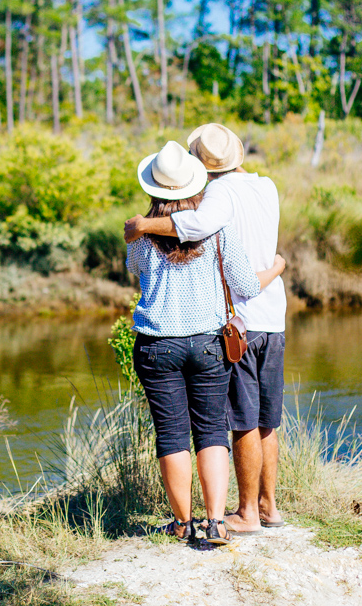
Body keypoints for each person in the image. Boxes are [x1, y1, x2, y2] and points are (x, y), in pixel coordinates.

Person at [125, 124, 286, 535]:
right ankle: (216, 522)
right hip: (210, 342)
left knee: (172, 434)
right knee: (213, 429)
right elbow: (247, 285)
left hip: (157, 344)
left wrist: (144, 229)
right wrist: (279, 267)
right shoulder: (221, 225)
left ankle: (183, 523)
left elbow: (135, 274)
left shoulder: (139, 234)